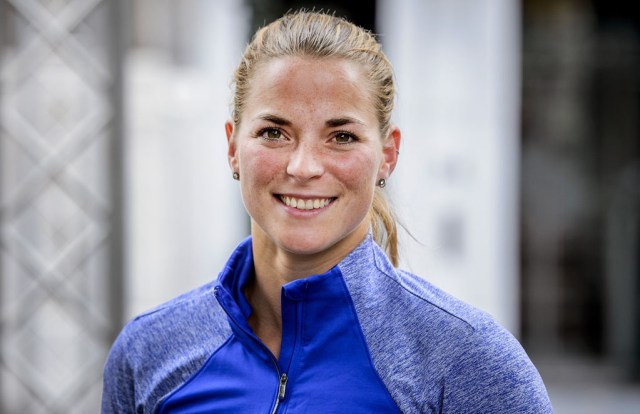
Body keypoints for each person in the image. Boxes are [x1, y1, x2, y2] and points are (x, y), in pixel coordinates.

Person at [102, 10, 553, 413]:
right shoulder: (148, 352)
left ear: (388, 155)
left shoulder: (465, 359)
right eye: (274, 132)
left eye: (341, 137)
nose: (303, 167)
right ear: (232, 147)